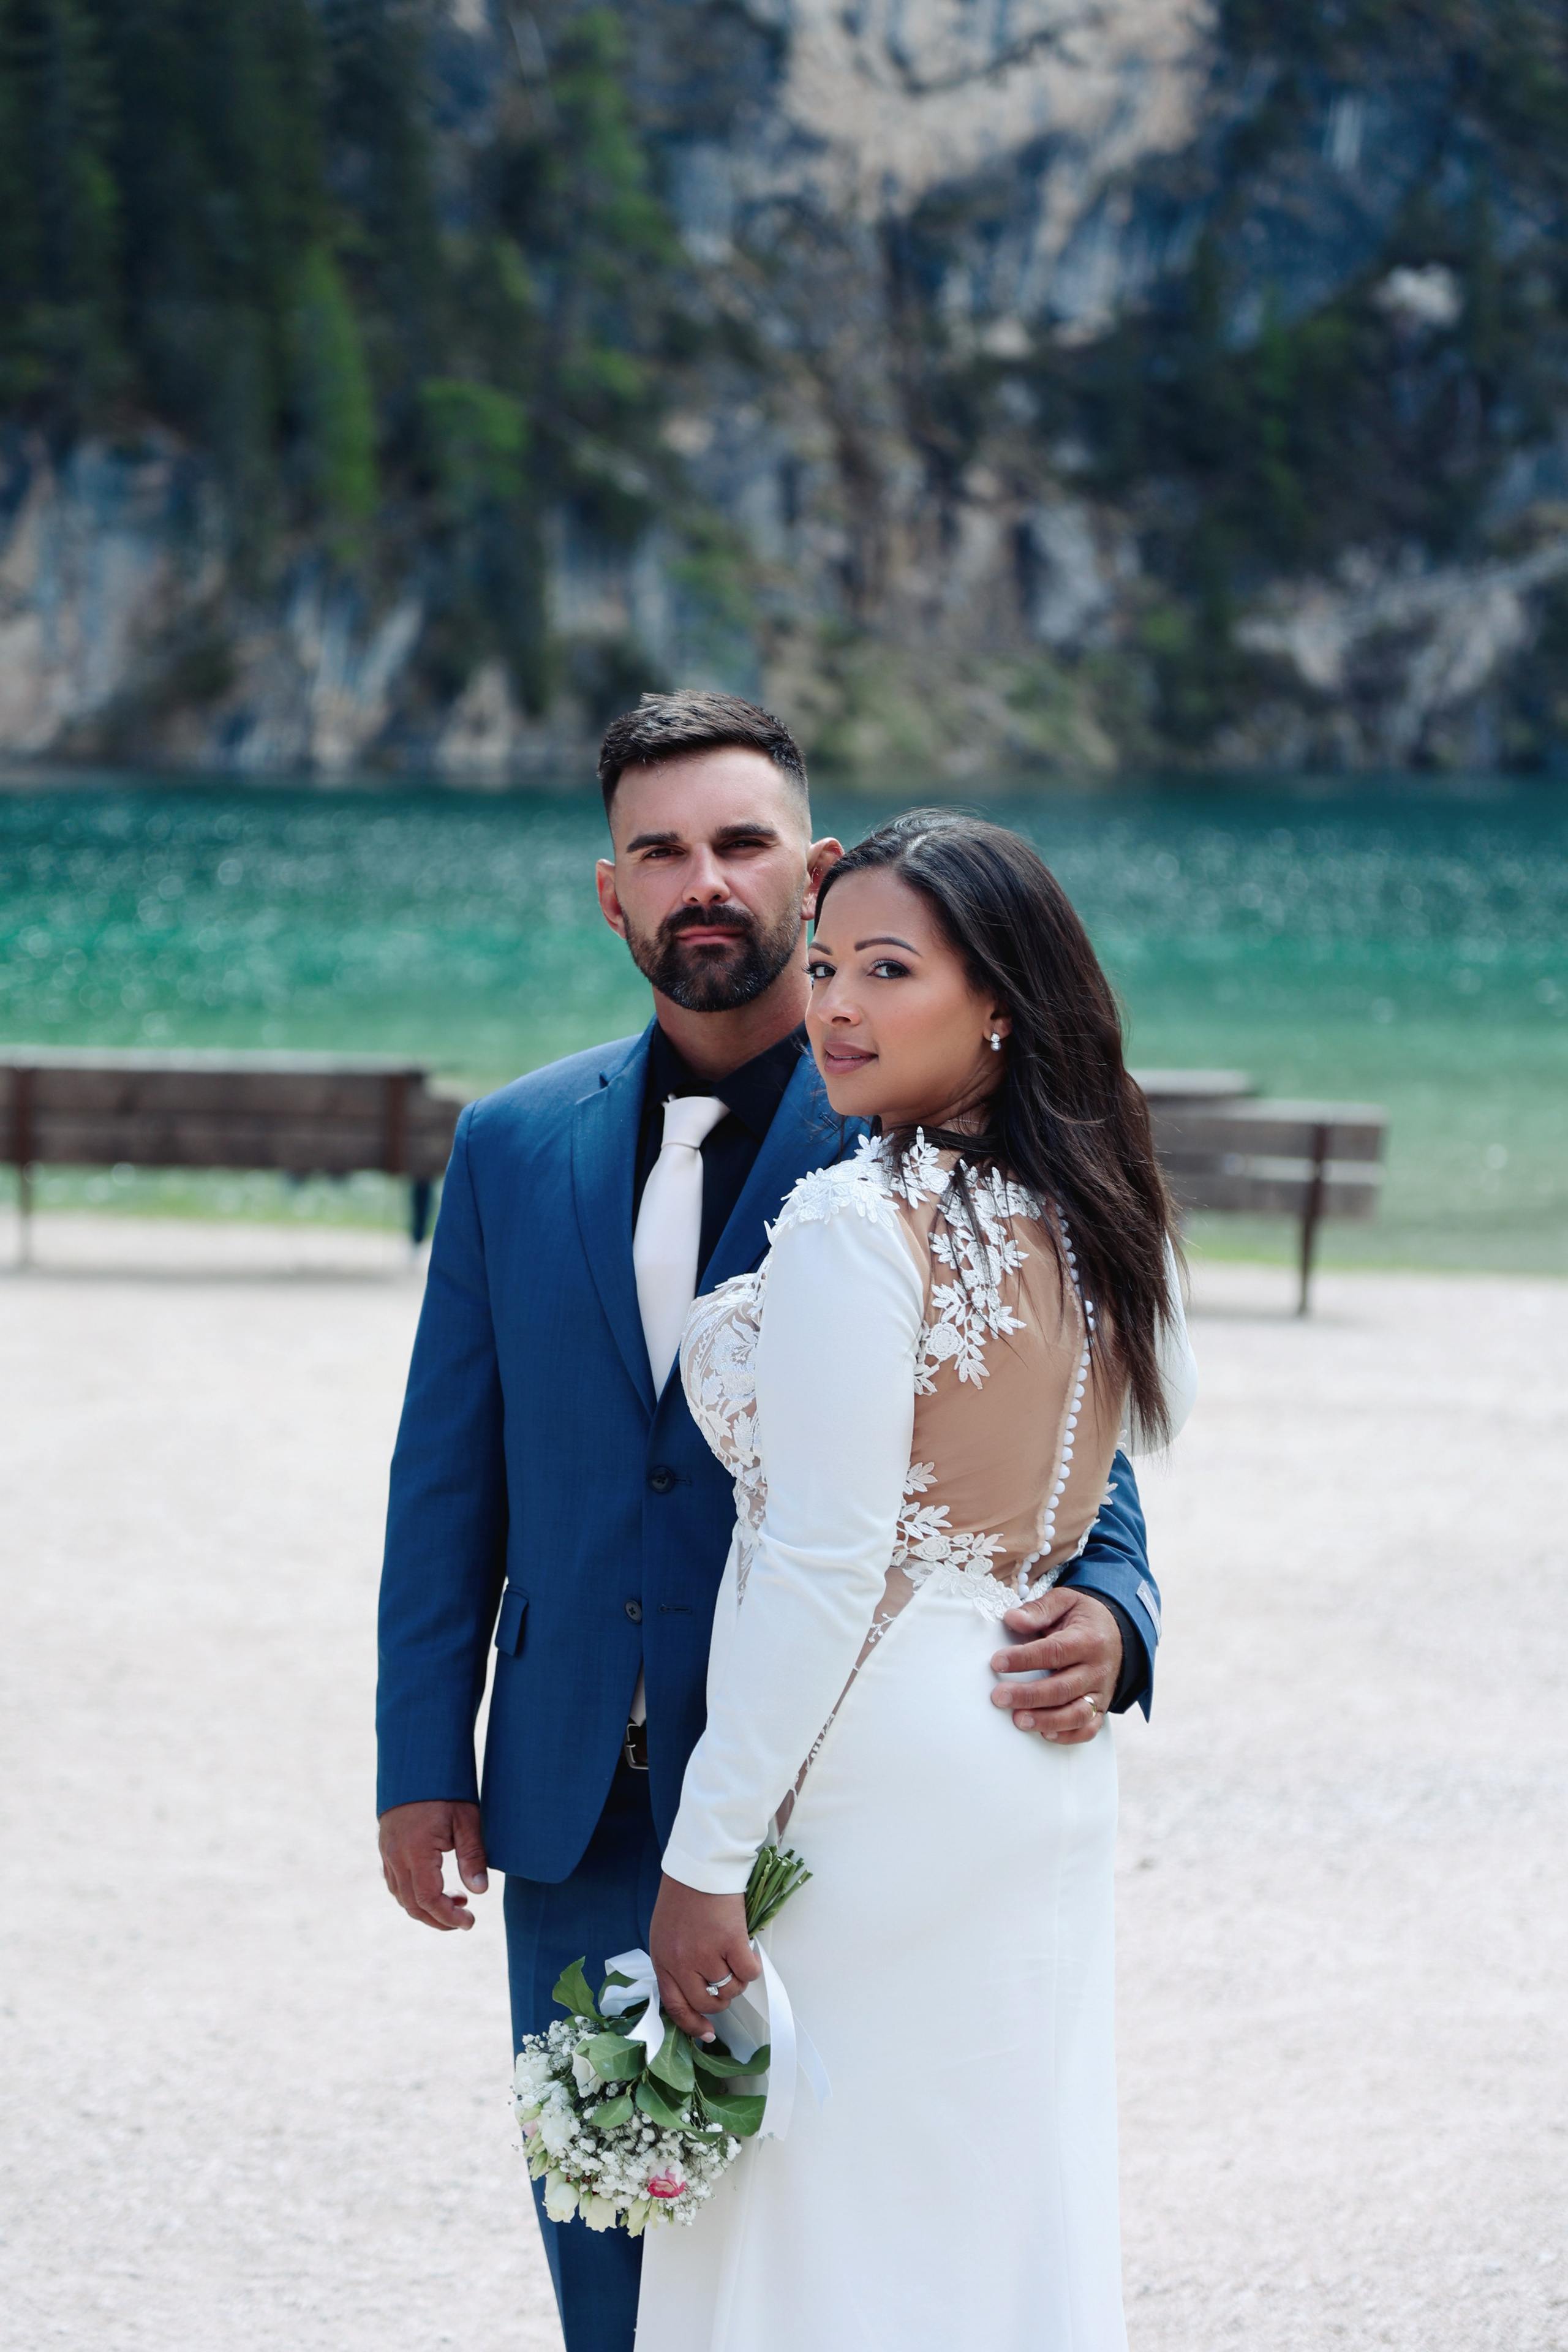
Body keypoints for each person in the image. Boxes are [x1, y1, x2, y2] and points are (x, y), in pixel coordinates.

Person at [375, 695, 1168, 2352]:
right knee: (623, 2262)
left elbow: (1042, 1420)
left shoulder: (908, 1137)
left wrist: (1115, 1605)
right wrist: (420, 1757)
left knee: (834, 2252)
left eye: (741, 843)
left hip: (832, 1803)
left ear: (812, 870)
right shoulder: (510, 1145)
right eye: (661, 852)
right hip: (581, 1795)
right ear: (613, 894)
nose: (705, 882)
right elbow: (448, 1473)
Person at [639, 809, 1195, 2351]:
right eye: (824, 967)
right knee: (987, 2193)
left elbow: (823, 1564)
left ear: (997, 1000)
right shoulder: (1100, 1219)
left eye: (888, 971)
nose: (835, 1006)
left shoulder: (854, 1219)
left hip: (870, 1758)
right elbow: (1092, 1470)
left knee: (824, 2219)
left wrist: (704, 1854)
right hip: (1024, 1759)